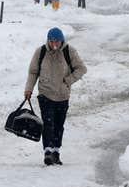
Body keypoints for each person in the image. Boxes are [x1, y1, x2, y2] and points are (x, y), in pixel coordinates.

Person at [24, 27, 87, 166]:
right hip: (45, 93)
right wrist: (29, 89)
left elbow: (82, 68)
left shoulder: (69, 51)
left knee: (59, 125)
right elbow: (33, 72)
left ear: (61, 40)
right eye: (52, 41)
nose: (54, 44)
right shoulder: (40, 52)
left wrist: (68, 80)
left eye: (57, 42)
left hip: (62, 95)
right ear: (48, 40)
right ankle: (48, 152)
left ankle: (56, 152)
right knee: (48, 124)